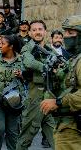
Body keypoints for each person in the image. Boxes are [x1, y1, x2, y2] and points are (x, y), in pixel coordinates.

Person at [40, 15, 81, 150]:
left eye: (70, 32)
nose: (65, 36)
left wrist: (58, 102)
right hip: (65, 126)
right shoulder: (73, 60)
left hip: (74, 129)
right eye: (65, 32)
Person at [16, 20, 56, 150]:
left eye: (40, 29)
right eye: (34, 30)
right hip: (35, 98)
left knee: (57, 137)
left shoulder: (50, 50)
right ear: (30, 33)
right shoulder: (28, 48)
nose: (37, 32)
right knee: (26, 138)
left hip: (50, 96)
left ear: (45, 31)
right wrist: (46, 67)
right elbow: (29, 62)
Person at [0, 35, 24, 150]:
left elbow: (30, 79)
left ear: (11, 46)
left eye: (2, 44)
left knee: (13, 133)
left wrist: (22, 75)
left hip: (15, 103)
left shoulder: (22, 60)